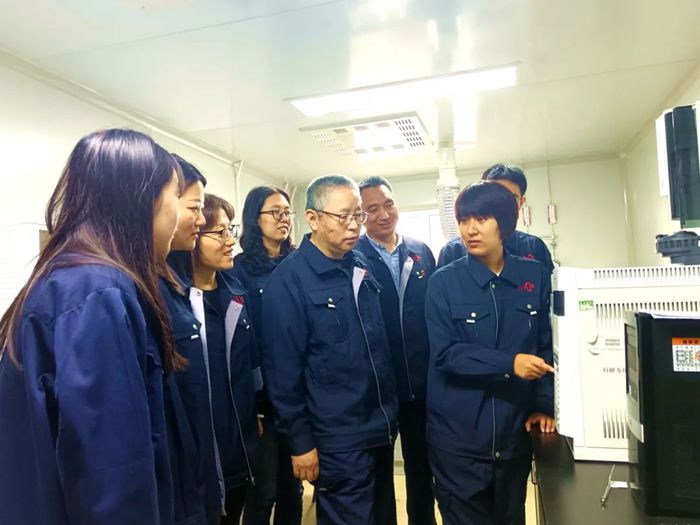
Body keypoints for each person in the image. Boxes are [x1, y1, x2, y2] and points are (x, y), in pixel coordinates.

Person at [0, 129, 181, 524]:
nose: (180, 215)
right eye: (176, 196)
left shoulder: (72, 279)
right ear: (143, 199)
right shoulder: (98, 294)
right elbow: (111, 475)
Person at [262, 175, 398, 525]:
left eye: (358, 216)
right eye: (343, 216)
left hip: (379, 428)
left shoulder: (360, 265)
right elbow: (282, 373)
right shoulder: (289, 281)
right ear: (313, 218)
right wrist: (301, 443)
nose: (354, 225)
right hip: (337, 439)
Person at [425, 181, 556, 525]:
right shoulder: (443, 283)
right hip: (459, 442)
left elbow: (545, 346)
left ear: (505, 222)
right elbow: (446, 354)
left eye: (481, 219)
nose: (470, 229)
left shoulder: (534, 275)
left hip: (514, 437)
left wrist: (544, 406)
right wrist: (509, 363)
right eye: (464, 220)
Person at [356, 176, 437, 525]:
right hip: (377, 392)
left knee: (423, 471)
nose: (383, 214)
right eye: (372, 209)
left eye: (388, 204)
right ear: (360, 216)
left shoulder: (421, 252)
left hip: (420, 388)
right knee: (378, 479)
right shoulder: (353, 257)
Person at [187, 193, 260, 524]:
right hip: (197, 458)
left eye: (231, 230)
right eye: (219, 232)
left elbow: (250, 366)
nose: (231, 241)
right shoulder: (174, 301)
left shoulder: (236, 295)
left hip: (237, 448)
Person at [232, 186, 303, 525]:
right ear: (254, 218)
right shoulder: (238, 269)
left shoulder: (299, 263)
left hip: (299, 393)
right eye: (275, 212)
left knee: (294, 488)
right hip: (264, 399)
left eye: (287, 212)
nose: (283, 218)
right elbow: (242, 341)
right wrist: (254, 401)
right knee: (263, 491)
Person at [159, 154, 224, 525]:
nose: (201, 220)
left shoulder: (172, 286)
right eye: (194, 208)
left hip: (195, 476)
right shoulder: (117, 292)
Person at [437, 164, 554, 273]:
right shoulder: (452, 252)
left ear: (521, 202)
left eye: (511, 198)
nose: (503, 204)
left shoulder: (534, 247)